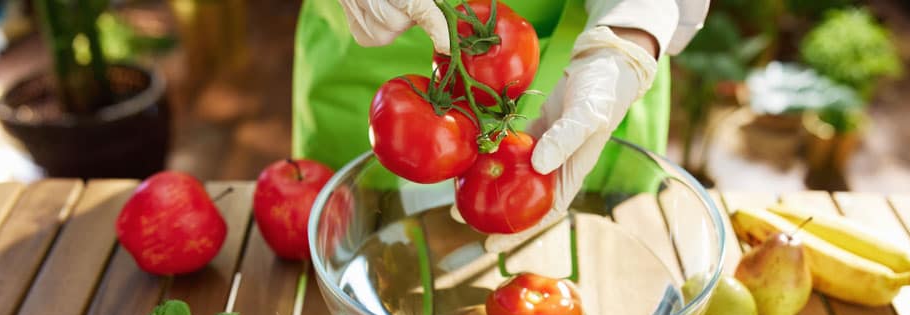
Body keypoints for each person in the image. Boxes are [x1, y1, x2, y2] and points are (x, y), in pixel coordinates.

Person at [293, 0, 709, 244]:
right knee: (348, 243)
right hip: (370, 53)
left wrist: (632, 28)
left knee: (611, 266)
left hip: (600, 52)